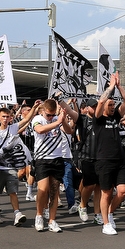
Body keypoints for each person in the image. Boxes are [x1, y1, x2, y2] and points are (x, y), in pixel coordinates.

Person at [94, 73, 125, 235]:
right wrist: (110, 87)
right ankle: (105, 224)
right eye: (110, 105)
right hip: (104, 160)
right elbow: (101, 100)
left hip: (120, 160)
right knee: (106, 192)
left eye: (113, 105)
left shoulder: (116, 117)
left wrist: (119, 86)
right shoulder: (97, 119)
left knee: (123, 191)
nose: (112, 107)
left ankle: (109, 212)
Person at [0, 102, 38, 227]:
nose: (5, 119)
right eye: (3, 116)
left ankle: (17, 213)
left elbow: (26, 119)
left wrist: (34, 108)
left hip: (10, 166)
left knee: (12, 191)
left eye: (7, 117)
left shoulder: (12, 128)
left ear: (10, 118)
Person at [31, 96, 78, 233]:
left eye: (53, 114)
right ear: (43, 111)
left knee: (54, 190)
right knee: (43, 189)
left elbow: (70, 131)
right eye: (48, 115)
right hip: (42, 159)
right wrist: (57, 121)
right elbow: (40, 130)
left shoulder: (57, 120)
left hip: (57, 159)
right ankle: (39, 215)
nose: (50, 117)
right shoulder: (38, 119)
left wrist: (62, 120)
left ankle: (52, 220)